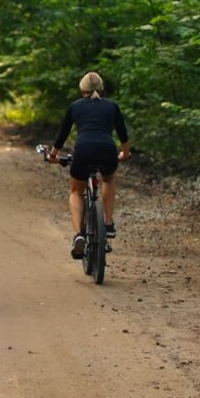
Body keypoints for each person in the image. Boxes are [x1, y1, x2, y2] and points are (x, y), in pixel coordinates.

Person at [49, 71, 129, 259]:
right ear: (101, 88)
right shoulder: (112, 106)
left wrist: (53, 155)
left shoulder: (75, 107)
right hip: (108, 149)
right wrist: (125, 153)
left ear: (82, 89)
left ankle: (79, 235)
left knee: (76, 191)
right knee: (108, 178)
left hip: (83, 149)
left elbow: (62, 135)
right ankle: (108, 224)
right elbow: (123, 134)